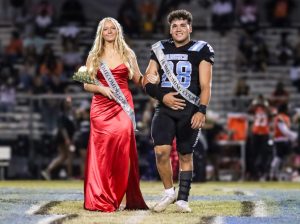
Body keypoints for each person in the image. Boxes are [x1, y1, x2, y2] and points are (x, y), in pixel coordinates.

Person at [143, 9, 214, 213]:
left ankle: (183, 199)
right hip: (164, 108)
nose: (179, 29)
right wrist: (161, 95)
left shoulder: (201, 49)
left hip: (189, 110)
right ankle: (168, 192)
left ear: (190, 28)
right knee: (160, 151)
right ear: (170, 29)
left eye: (183, 25)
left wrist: (202, 110)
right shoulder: (160, 48)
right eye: (174, 26)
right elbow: (147, 81)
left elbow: (206, 84)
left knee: (185, 153)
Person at [82, 17, 148, 212]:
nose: (109, 31)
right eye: (105, 29)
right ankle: (101, 195)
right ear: (100, 33)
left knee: (122, 147)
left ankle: (116, 194)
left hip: (122, 106)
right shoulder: (94, 55)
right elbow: (86, 84)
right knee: (102, 153)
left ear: (118, 31)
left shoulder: (128, 53)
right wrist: (102, 90)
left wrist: (150, 79)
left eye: (112, 28)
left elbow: (138, 79)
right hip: (101, 108)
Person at [41, 96, 76, 180]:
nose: (70, 103)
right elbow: (62, 128)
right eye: (68, 102)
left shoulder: (70, 113)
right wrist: (67, 139)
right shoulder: (62, 114)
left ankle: (47, 171)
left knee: (63, 156)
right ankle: (69, 175)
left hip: (67, 137)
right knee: (69, 155)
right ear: (64, 104)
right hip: (63, 138)